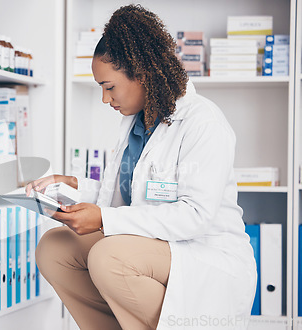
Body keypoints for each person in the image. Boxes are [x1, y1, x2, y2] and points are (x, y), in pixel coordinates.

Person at [27, 5, 256, 330]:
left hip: (203, 251)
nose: (106, 100)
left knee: (109, 257)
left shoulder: (203, 122)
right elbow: (124, 195)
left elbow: (194, 216)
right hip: (151, 246)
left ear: (142, 73)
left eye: (110, 87)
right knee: (54, 248)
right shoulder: (137, 124)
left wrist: (103, 219)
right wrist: (71, 186)